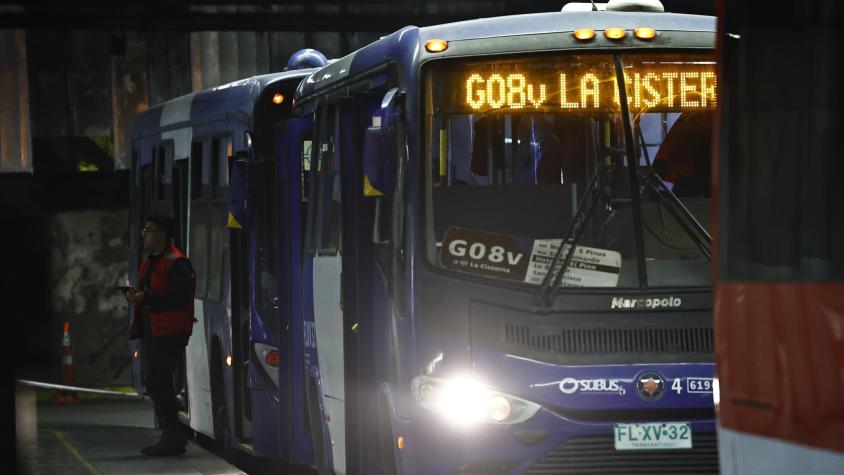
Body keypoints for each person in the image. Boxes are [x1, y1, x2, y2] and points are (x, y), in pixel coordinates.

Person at [125, 214, 196, 456]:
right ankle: (171, 433)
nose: (145, 235)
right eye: (144, 230)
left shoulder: (177, 263)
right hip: (156, 330)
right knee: (155, 380)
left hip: (170, 331)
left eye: (149, 231)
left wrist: (146, 298)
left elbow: (179, 298)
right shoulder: (152, 260)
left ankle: (172, 435)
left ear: (162, 236)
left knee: (158, 380)